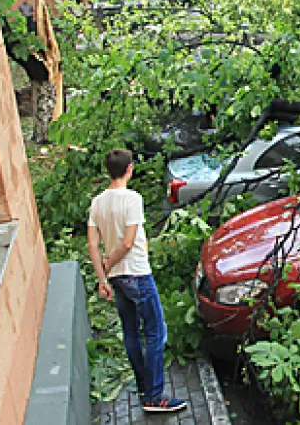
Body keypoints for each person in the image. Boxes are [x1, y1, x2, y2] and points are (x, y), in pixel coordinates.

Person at [88, 149, 187, 413]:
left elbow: (92, 244)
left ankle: (144, 387)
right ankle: (155, 396)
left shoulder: (97, 203)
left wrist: (103, 277)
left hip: (117, 279)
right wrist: (111, 261)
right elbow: (128, 242)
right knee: (156, 331)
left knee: (131, 332)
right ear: (129, 168)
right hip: (137, 273)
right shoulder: (132, 199)